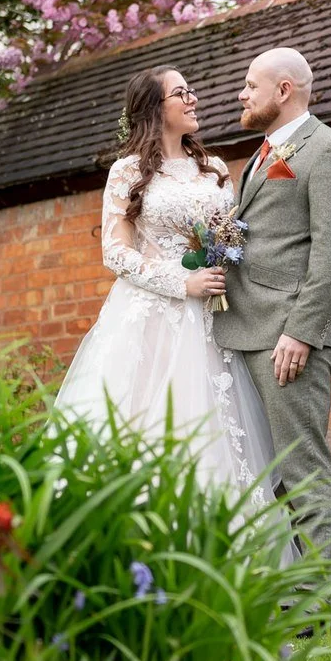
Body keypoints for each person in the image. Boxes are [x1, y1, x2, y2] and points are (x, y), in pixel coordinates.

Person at [54, 67, 278, 508]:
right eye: (181, 93)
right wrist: (182, 282)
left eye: (191, 90)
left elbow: (231, 236)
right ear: (155, 109)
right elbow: (114, 253)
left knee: (218, 427)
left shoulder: (212, 168)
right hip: (151, 318)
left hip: (217, 318)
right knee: (148, 422)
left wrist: (216, 273)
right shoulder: (127, 171)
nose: (193, 99)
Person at [211, 48, 331, 561]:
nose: (242, 94)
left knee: (301, 467)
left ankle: (322, 607)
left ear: (283, 90)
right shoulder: (264, 154)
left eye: (251, 85)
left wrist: (300, 331)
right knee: (270, 471)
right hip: (245, 329)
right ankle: (293, 590)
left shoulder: (330, 150)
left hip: (286, 336)